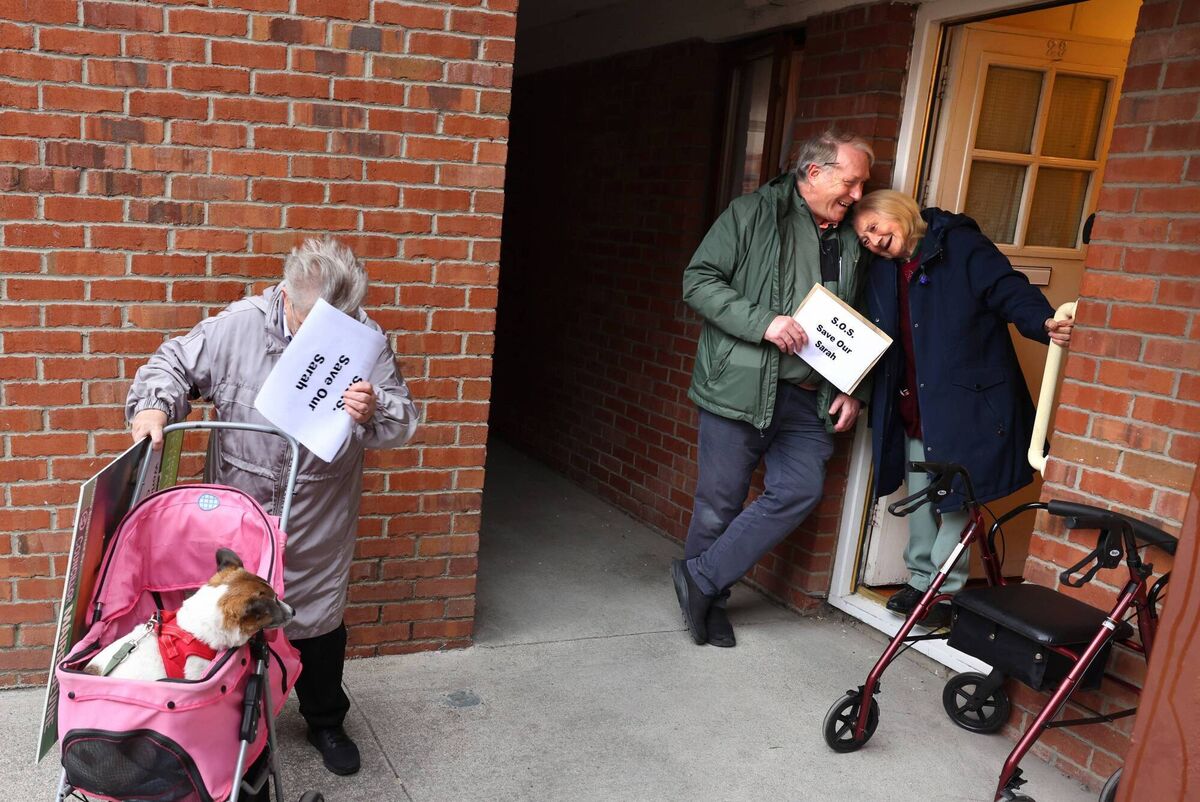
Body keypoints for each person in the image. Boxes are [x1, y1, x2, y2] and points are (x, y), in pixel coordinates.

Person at [126, 237, 418, 776]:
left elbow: (403, 421)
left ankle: (326, 719)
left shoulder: (367, 338)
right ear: (286, 298)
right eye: (316, 327)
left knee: (318, 623)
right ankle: (225, 727)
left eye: (343, 324)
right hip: (241, 511)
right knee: (232, 622)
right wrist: (152, 408)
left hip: (317, 515)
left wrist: (375, 409)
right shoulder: (238, 326)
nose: (331, 339)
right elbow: (171, 363)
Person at [672, 130, 874, 648]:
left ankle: (701, 577)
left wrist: (853, 386)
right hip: (740, 385)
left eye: (861, 186)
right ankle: (709, 602)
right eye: (850, 183)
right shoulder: (751, 214)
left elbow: (855, 320)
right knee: (720, 502)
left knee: (800, 489)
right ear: (815, 173)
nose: (857, 195)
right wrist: (763, 321)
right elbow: (698, 280)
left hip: (809, 397)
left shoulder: (851, 236)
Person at [854, 190, 1073, 628]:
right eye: (864, 238)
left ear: (898, 212)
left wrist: (1044, 322)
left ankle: (942, 590)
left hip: (964, 398)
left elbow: (1007, 288)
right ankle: (920, 578)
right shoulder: (885, 268)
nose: (873, 241)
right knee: (920, 496)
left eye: (875, 228)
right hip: (914, 398)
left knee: (955, 498)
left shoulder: (959, 245)